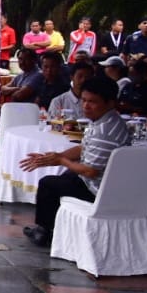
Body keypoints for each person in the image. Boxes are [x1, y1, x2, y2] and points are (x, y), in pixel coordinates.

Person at [20, 75, 131, 246]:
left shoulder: (104, 131)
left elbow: (90, 171)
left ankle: (44, 232)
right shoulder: (105, 120)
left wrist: (61, 160)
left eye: (92, 101)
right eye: (84, 100)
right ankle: (57, 228)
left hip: (97, 189)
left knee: (48, 184)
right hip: (100, 180)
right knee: (66, 175)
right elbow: (83, 148)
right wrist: (55, 157)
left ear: (109, 103)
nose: (86, 106)